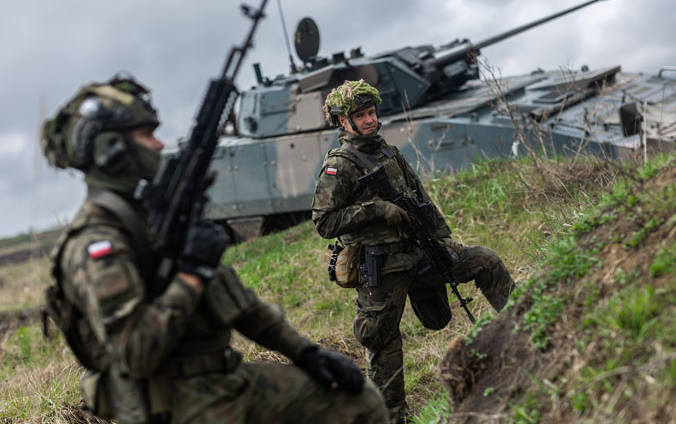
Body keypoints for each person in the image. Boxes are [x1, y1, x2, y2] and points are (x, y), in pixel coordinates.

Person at [41, 73, 388, 424]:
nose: (160, 145)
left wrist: (305, 353)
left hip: (222, 384)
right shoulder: (97, 242)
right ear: (110, 150)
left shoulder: (150, 221)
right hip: (169, 406)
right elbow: (135, 354)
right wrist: (191, 273)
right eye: (147, 135)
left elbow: (236, 301)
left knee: (357, 402)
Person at [311, 79, 515, 423]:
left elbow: (423, 202)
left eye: (372, 112)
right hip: (381, 268)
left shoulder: (389, 152)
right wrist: (375, 210)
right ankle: (392, 416)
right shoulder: (340, 164)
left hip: (420, 253)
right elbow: (324, 222)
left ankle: (525, 326)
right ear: (343, 122)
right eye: (360, 115)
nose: (369, 120)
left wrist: (444, 238)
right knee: (383, 342)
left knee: (484, 260)